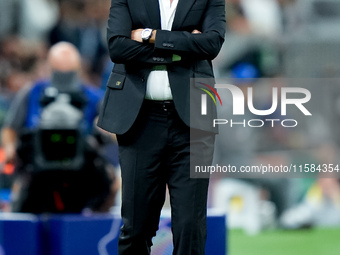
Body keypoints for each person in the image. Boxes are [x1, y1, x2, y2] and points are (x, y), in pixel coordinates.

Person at [97, 0, 226, 254]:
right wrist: (182, 47)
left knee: (190, 226)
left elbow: (211, 44)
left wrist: (148, 36)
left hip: (192, 122)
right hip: (139, 120)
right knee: (136, 225)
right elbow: (118, 47)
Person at [1, 42, 117, 213]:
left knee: (111, 184)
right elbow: (10, 128)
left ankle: (98, 233)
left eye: (68, 72)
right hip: (37, 167)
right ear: (49, 67)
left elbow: (115, 133)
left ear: (78, 69)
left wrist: (105, 128)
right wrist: (10, 149)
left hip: (84, 169)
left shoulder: (93, 97)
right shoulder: (32, 92)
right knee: (19, 193)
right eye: (58, 71)